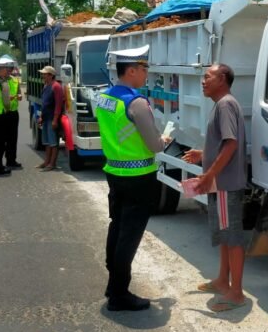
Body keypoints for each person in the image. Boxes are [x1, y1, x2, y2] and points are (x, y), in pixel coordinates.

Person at [97, 45, 170, 311]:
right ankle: (119, 294)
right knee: (129, 236)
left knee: (117, 227)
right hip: (139, 176)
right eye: (143, 69)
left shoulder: (105, 98)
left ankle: (113, 283)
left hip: (114, 172)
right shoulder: (136, 102)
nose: (146, 74)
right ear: (131, 71)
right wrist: (164, 140)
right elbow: (154, 145)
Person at [182, 64, 248, 312]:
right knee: (224, 234)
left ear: (222, 79)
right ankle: (223, 281)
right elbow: (223, 143)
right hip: (221, 184)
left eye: (207, 76)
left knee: (232, 238)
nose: (202, 81)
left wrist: (209, 175)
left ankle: (237, 293)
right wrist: (204, 153)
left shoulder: (225, 104)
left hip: (225, 185)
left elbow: (231, 144)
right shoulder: (221, 104)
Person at [36, 66, 64, 171]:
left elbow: (58, 105)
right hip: (46, 117)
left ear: (51, 75)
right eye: (43, 74)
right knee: (47, 142)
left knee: (53, 143)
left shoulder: (56, 87)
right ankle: (46, 162)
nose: (43, 76)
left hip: (52, 118)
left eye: (45, 74)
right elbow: (44, 103)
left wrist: (55, 120)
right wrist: (41, 117)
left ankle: (52, 164)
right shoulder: (46, 86)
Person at [3, 59, 23, 169]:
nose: (9, 71)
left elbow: (19, 94)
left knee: (12, 138)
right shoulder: (0, 81)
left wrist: (19, 96)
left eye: (11, 69)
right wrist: (5, 98)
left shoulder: (15, 81)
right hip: (2, 113)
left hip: (13, 113)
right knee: (1, 138)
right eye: (7, 69)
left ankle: (11, 160)